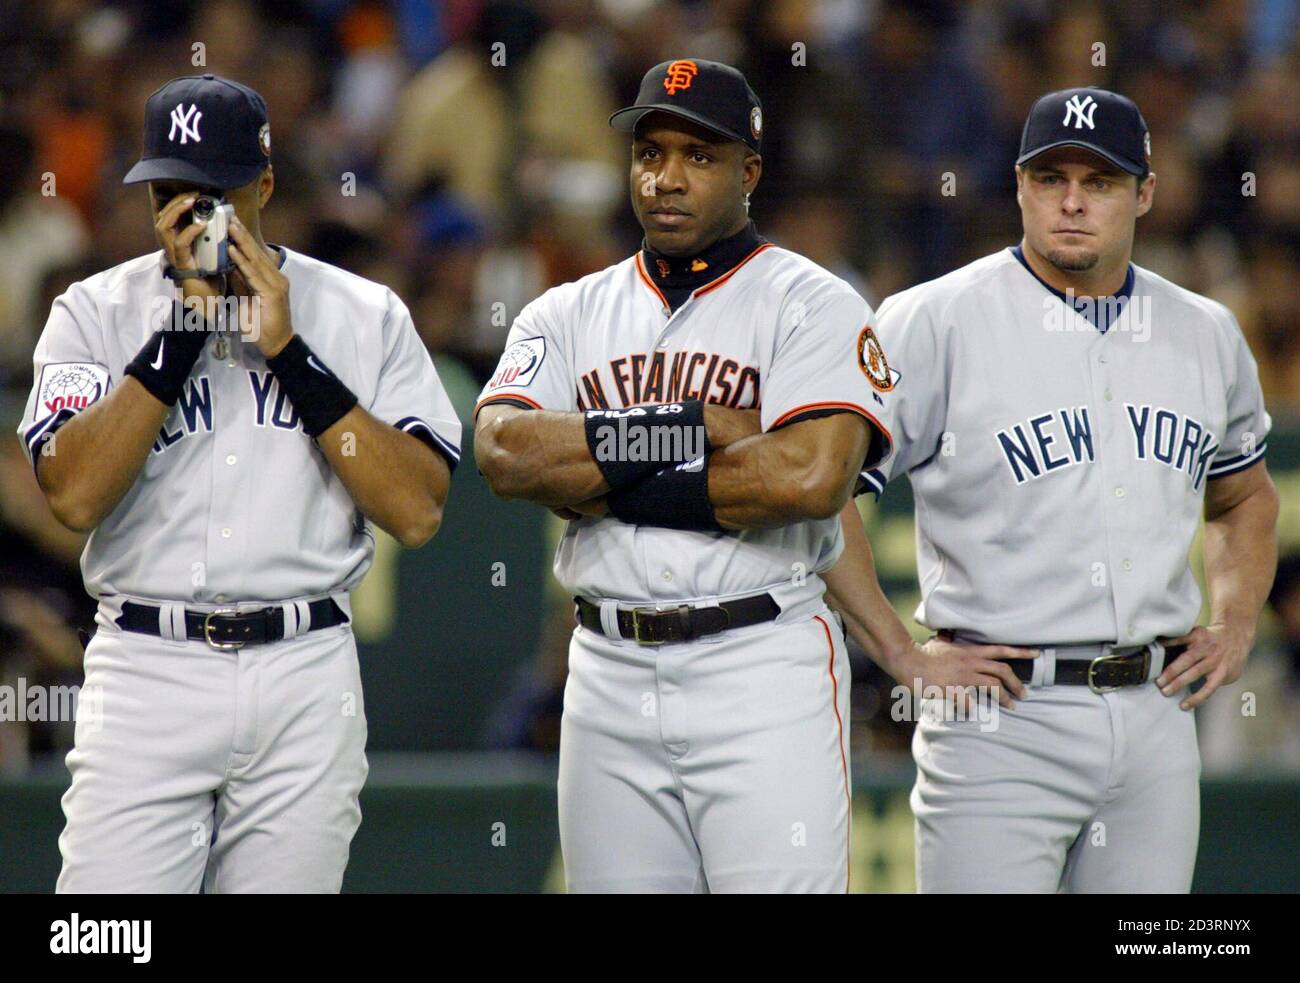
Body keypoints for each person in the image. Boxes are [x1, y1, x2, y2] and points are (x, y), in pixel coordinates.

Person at [824, 87, 1280, 893]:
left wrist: (1236, 619)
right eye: (1050, 177)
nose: (1071, 201)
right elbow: (823, 492)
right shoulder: (932, 320)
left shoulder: (1204, 331)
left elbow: (1244, 495)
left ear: (1144, 193)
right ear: (1021, 185)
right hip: (999, 718)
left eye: (1098, 182)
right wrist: (900, 651)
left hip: (1154, 714)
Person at [16, 74, 461, 892]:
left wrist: (291, 352)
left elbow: (418, 508)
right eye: (172, 191)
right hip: (147, 666)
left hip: (303, 669)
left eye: (213, 192)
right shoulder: (93, 311)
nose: (193, 217)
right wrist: (180, 332)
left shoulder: (363, 313)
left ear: (263, 183)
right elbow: (75, 494)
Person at [474, 59, 893, 893]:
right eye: (650, 152)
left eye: (699, 157)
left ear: (750, 170)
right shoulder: (564, 311)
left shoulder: (814, 303)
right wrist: (693, 425)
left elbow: (809, 478)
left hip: (761, 664)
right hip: (608, 670)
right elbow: (505, 454)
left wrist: (599, 480)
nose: (665, 177)